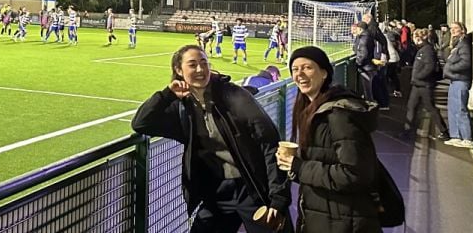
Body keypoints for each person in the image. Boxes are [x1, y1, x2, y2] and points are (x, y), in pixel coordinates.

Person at [132, 45, 291, 232]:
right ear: (178, 70)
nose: (200, 70)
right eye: (192, 65)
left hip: (252, 187)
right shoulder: (181, 107)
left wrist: (278, 198)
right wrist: (166, 94)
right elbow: (141, 123)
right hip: (217, 192)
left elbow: (269, 142)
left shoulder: (232, 95)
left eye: (203, 63)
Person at [277, 46, 382, 233]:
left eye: (307, 67)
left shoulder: (339, 115)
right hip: (326, 215)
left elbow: (354, 174)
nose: (300, 74)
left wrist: (300, 166)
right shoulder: (313, 111)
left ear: (324, 73)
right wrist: (294, 166)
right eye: (295, 69)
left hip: (343, 221)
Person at [402, 29, 447, 140]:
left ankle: (443, 131)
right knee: (411, 107)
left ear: (419, 38)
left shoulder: (427, 50)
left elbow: (429, 67)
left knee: (430, 107)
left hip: (424, 85)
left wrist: (418, 76)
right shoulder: (422, 50)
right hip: (418, 84)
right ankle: (407, 131)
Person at [443, 22, 473, 148]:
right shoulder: (456, 44)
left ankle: (467, 137)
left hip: (461, 80)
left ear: (462, 30)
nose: (453, 30)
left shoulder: (464, 44)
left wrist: (451, 68)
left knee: (460, 108)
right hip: (454, 80)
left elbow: (466, 63)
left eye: (456, 28)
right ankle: (455, 136)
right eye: (451, 28)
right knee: (453, 108)